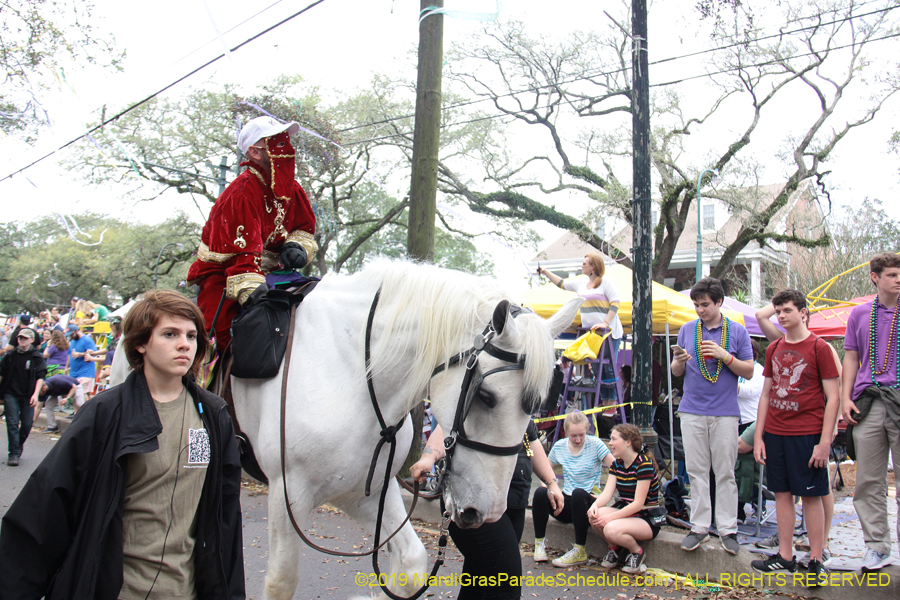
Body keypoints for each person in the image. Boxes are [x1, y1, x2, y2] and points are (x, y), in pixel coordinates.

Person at [0, 289, 245, 599]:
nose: (185, 343)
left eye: (192, 335)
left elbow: (226, 522)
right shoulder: (105, 413)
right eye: (170, 334)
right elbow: (44, 513)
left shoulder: (214, 415)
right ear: (141, 342)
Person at [187, 115, 318, 352]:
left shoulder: (292, 188)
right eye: (277, 143)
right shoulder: (241, 192)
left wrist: (297, 247)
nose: (287, 149)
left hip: (274, 274)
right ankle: (204, 384)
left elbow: (303, 228)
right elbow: (240, 259)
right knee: (226, 344)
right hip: (226, 277)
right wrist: (253, 291)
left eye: (286, 141)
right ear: (255, 152)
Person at [749, 290, 839, 587]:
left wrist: (825, 441)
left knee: (811, 495)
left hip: (807, 432)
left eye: (787, 310)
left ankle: (815, 558)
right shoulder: (774, 347)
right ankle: (784, 556)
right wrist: (759, 436)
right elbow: (765, 395)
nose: (782, 316)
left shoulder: (819, 348)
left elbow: (833, 397)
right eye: (778, 311)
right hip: (776, 432)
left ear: (803, 312)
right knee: (782, 494)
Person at [411, 421, 559, 600]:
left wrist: (551, 483)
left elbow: (532, 443)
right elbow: (447, 425)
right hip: (475, 503)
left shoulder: (518, 401)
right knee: (504, 584)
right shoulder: (476, 394)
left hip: (514, 505)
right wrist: (428, 457)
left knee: (478, 583)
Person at [671, 277, 754, 556]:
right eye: (696, 305)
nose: (700, 310)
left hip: (725, 413)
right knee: (695, 471)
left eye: (705, 304)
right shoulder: (686, 329)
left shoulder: (738, 332)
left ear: (719, 302)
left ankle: (728, 529)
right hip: (692, 410)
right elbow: (676, 373)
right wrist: (678, 362)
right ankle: (699, 527)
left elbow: (749, 371)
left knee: (725, 472)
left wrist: (724, 356)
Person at [842, 252, 900, 573]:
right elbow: (851, 357)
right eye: (892, 274)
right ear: (875, 277)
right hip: (869, 401)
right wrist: (845, 399)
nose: (898, 280)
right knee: (867, 481)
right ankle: (876, 547)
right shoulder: (860, 314)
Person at [538, 253, 623, 413]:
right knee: (597, 367)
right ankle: (605, 401)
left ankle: (611, 402)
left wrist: (605, 322)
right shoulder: (581, 284)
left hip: (609, 331)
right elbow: (562, 284)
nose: (582, 266)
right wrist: (546, 272)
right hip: (592, 333)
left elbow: (615, 303)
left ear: (593, 266)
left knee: (609, 367)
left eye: (585, 263)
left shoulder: (605, 283)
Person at [532, 410, 614, 567]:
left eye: (581, 435)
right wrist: (550, 490)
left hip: (588, 502)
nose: (578, 439)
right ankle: (539, 544)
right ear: (566, 432)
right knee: (540, 493)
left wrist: (605, 494)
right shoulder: (559, 446)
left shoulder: (595, 444)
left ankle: (579, 549)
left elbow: (615, 468)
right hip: (566, 501)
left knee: (578, 494)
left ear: (587, 431)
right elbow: (545, 470)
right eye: (573, 436)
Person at [587, 424, 663, 574]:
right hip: (626, 511)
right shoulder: (616, 465)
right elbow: (607, 494)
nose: (610, 443)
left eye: (614, 439)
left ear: (628, 442)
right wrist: (594, 506)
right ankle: (615, 550)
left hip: (646, 517)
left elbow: (638, 504)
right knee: (594, 515)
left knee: (610, 528)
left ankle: (637, 552)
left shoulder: (644, 466)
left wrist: (611, 517)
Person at [0, 328, 47, 466]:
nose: (22, 340)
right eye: (20, 338)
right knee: (12, 423)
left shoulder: (36, 357)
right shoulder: (10, 355)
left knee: (27, 424)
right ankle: (13, 453)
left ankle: (19, 444)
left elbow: (40, 377)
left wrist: (35, 394)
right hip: (11, 393)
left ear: (32, 340)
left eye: (25, 338)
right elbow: (1, 373)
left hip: (28, 394)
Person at [66, 323, 97, 407]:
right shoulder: (72, 341)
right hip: (74, 372)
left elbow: (93, 353)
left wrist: (79, 354)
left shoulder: (87, 340)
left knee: (82, 393)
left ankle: (86, 412)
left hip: (86, 371)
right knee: (74, 393)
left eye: (71, 334)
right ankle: (76, 414)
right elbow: (70, 355)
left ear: (77, 331)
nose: (71, 337)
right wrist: (66, 367)